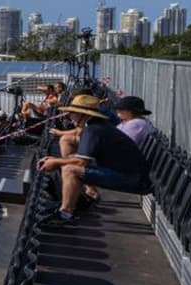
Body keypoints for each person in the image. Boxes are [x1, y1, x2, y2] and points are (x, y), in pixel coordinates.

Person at [36, 94, 149, 225]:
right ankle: (73, 204)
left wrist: (55, 162)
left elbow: (81, 162)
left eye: (72, 113)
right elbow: (81, 158)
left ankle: (65, 213)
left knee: (70, 170)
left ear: (82, 115)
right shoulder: (97, 126)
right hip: (129, 173)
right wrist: (55, 159)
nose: (69, 116)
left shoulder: (92, 131)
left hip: (132, 178)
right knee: (71, 162)